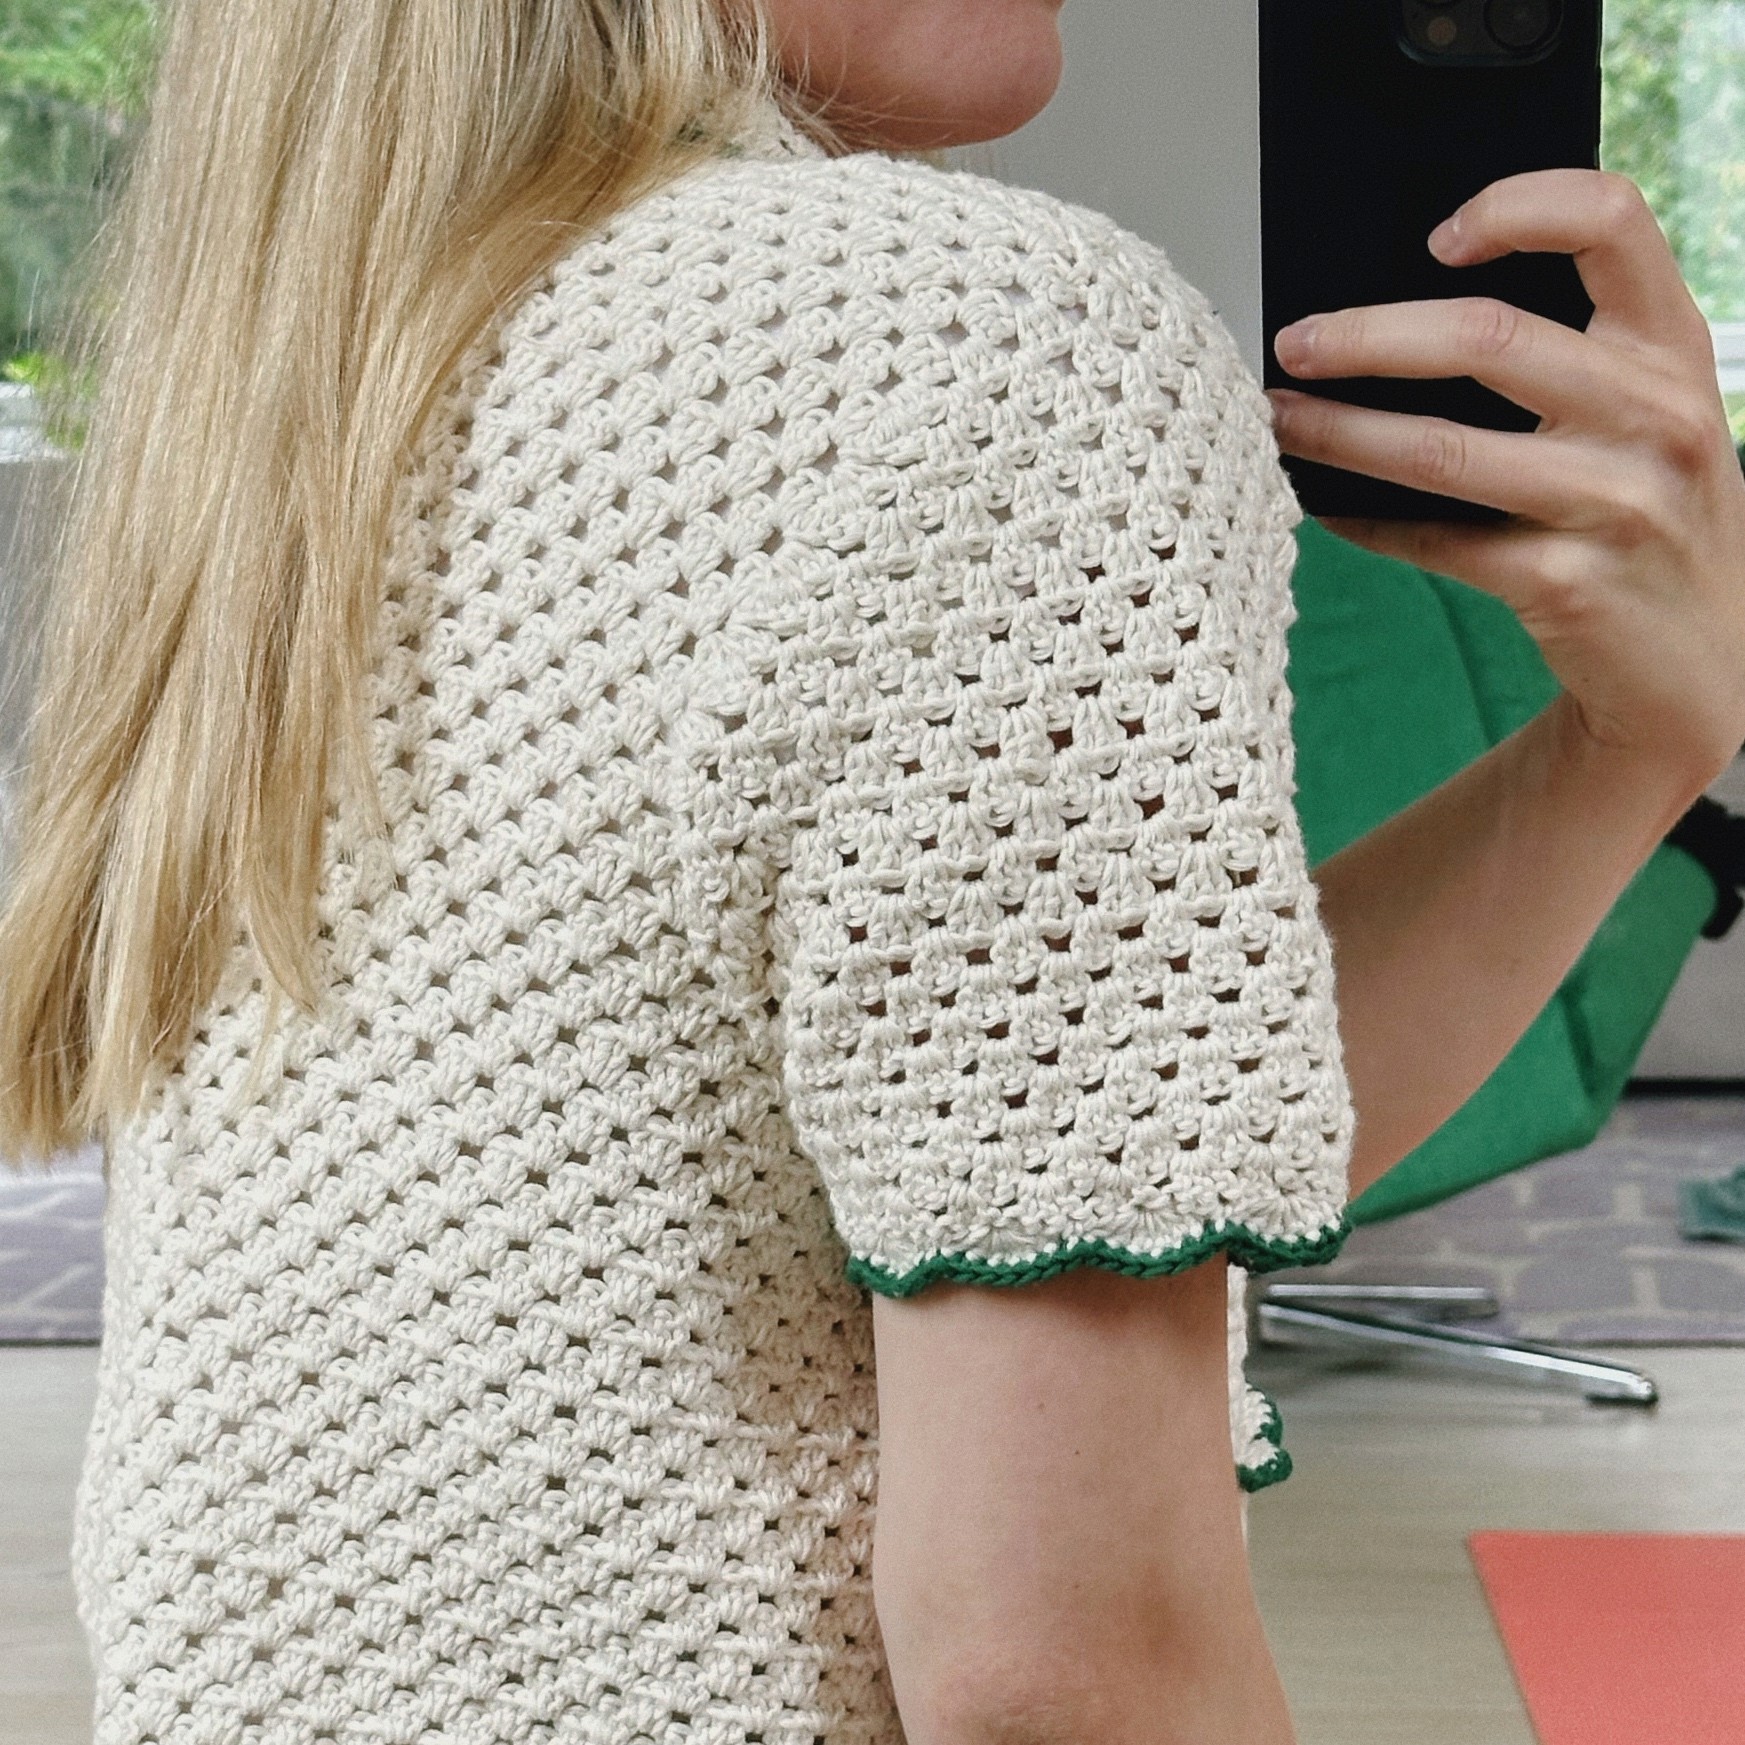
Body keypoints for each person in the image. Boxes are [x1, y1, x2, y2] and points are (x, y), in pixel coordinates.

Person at [1, 3, 1741, 1742]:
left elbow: (1081, 1138)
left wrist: (1626, 746)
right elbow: (1061, 1668)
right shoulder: (975, 346)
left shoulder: (322, 359)